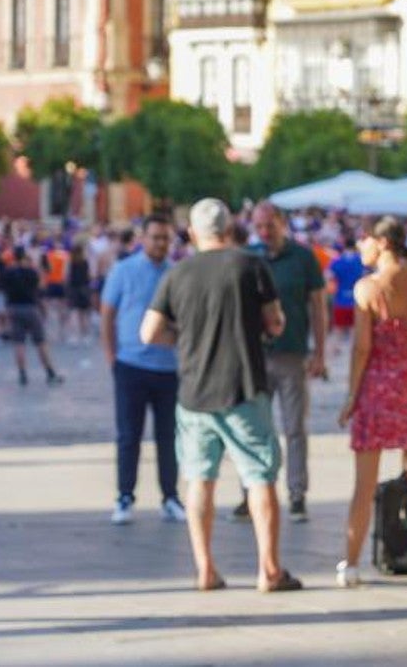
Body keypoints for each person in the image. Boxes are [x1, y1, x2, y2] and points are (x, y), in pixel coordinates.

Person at [140, 198, 302, 593]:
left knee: (199, 480)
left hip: (194, 391)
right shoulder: (250, 265)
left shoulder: (178, 273)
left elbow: (148, 333)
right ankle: (268, 570)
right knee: (260, 477)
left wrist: (185, 339)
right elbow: (276, 322)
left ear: (193, 234)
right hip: (243, 386)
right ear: (229, 230)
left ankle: (205, 569)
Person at [334, 217, 407, 587]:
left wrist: (351, 395)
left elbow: (362, 347)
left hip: (377, 387)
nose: (360, 248)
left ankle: (350, 566)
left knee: (364, 484)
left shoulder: (368, 288)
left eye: (363, 241)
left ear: (381, 243)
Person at [233, 202, 327, 523]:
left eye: (269, 226)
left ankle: (297, 492)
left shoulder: (302, 257)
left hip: (291, 352)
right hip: (254, 355)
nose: (264, 233)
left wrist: (321, 351)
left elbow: (317, 306)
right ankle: (250, 491)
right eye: (258, 227)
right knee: (253, 427)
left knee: (294, 426)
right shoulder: (248, 256)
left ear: (282, 223)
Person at [101, 215, 183, 525]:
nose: (161, 243)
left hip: (167, 367)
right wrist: (112, 358)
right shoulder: (124, 271)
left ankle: (170, 496)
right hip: (131, 364)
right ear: (142, 238)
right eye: (155, 237)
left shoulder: (175, 274)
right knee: (128, 435)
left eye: (165, 238)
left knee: (168, 436)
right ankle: (125, 495)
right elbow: (107, 314)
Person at [0, 247, 65, 387]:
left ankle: (22, 374)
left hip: (13, 308)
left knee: (19, 343)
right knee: (40, 342)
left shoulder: (7, 272)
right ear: (24, 257)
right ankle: (50, 373)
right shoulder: (31, 272)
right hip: (30, 307)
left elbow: (2, 288)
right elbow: (40, 287)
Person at [328, 233, 366, 354]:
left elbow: (328, 276)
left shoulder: (337, 261)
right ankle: (356, 352)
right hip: (357, 301)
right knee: (355, 330)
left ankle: (332, 352)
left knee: (338, 329)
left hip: (341, 300)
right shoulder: (361, 260)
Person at [67, 243, 93, 343]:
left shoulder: (71, 262)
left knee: (74, 313)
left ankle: (74, 336)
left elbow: (67, 276)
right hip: (84, 288)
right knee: (84, 314)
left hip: (73, 289)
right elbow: (90, 275)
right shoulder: (85, 262)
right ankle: (85, 335)